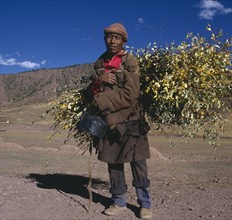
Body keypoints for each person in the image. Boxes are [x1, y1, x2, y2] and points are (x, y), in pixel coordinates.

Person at [90, 23, 152, 219]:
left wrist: (101, 100)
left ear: (123, 41)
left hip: (132, 120)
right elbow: (90, 91)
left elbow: (131, 94)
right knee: (113, 162)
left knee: (138, 162)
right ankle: (118, 202)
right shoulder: (99, 63)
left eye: (117, 37)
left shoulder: (130, 62)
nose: (112, 41)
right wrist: (100, 81)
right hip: (109, 123)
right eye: (109, 37)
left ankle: (145, 204)